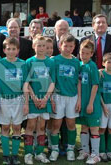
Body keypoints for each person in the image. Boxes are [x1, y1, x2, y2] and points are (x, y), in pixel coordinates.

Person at [0, 37, 29, 165]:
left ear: (18, 50)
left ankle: (14, 155)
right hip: (4, 100)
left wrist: (26, 103)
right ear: (4, 50)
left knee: (17, 127)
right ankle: (6, 155)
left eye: (14, 49)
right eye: (8, 49)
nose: (11, 51)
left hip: (18, 99)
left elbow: (25, 84)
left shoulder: (23, 64)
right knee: (5, 127)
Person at [49, 34, 81, 162]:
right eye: (65, 45)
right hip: (58, 96)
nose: (68, 48)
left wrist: (79, 99)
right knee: (56, 124)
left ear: (74, 47)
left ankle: (70, 149)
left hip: (72, 97)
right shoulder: (54, 60)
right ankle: (55, 149)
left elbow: (78, 81)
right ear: (59, 45)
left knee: (71, 123)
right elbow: (51, 80)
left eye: (71, 46)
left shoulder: (76, 62)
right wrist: (51, 98)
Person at [24, 35, 54, 164]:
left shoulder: (51, 62)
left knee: (42, 126)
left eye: (44, 46)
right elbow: (27, 83)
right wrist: (34, 98)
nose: (41, 48)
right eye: (39, 45)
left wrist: (46, 98)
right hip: (33, 99)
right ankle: (28, 153)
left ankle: (39, 153)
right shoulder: (29, 62)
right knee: (30, 125)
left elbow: (53, 83)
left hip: (45, 100)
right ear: (33, 46)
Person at [77, 39, 101, 164]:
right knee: (84, 127)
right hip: (83, 103)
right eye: (82, 52)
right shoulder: (80, 65)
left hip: (92, 103)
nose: (84, 55)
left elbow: (95, 86)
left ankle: (96, 155)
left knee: (94, 128)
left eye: (87, 53)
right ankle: (85, 151)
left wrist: (91, 103)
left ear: (91, 54)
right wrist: (80, 101)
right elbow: (79, 84)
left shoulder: (92, 66)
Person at [99, 52, 111, 162]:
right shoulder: (101, 75)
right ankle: (101, 151)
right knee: (102, 129)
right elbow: (99, 93)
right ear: (103, 63)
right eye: (109, 62)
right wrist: (103, 106)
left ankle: (109, 151)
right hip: (104, 106)